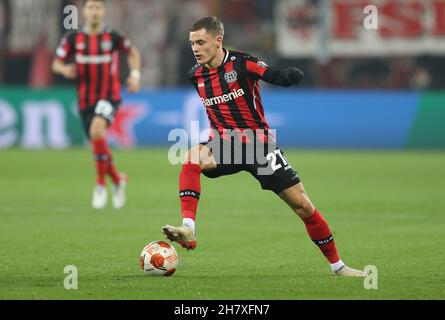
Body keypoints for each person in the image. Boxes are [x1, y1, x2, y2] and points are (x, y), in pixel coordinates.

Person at [162, 16, 366, 276]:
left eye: (201, 42)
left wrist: (286, 77)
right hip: (226, 144)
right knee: (191, 157)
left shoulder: (242, 63)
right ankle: (188, 227)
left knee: (303, 205)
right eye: (192, 43)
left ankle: (338, 266)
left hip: (259, 147)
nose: (195, 48)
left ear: (218, 41)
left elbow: (271, 74)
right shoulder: (196, 75)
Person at [52, 0, 141, 209]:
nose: (93, 12)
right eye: (90, 7)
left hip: (109, 95)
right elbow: (56, 62)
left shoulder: (113, 37)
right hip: (85, 100)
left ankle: (100, 184)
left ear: (103, 12)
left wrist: (135, 76)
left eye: (98, 8)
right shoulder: (73, 38)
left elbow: (133, 53)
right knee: (97, 141)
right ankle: (118, 180)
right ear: (84, 12)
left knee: (97, 130)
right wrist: (64, 69)